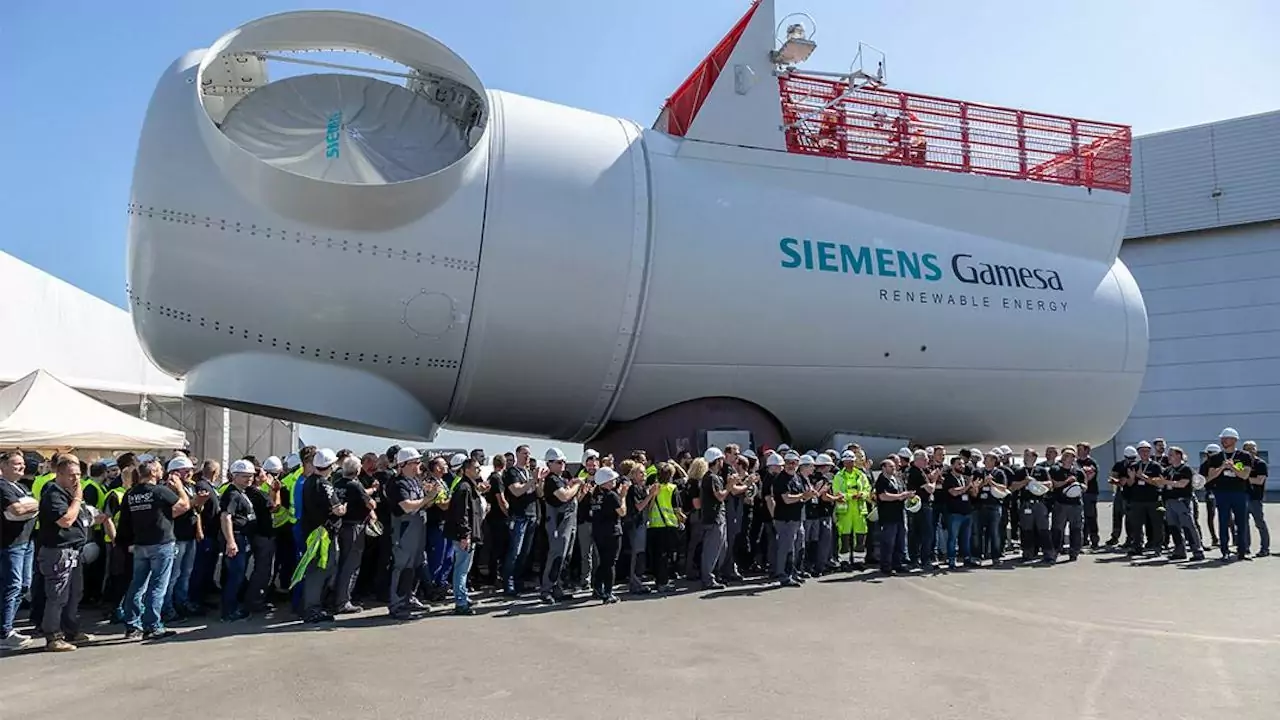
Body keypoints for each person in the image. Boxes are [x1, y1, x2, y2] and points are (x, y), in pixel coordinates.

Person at [36, 454, 109, 651]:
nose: (76, 479)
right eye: (71, 475)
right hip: (58, 551)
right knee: (57, 595)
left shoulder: (69, 493)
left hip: (74, 551)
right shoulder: (54, 493)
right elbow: (65, 520)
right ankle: (53, 636)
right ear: (59, 474)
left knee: (74, 593)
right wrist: (77, 499)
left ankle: (71, 630)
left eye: (78, 474)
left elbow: (81, 518)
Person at [118, 458, 190, 641]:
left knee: (137, 585)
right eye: (159, 470)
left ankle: (132, 626)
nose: (162, 472)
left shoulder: (131, 494)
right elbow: (184, 506)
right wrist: (180, 488)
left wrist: (125, 543)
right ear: (153, 473)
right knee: (157, 585)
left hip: (140, 544)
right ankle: (153, 625)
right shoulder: (159, 491)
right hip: (161, 543)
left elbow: (125, 521)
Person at [292, 448, 346, 624]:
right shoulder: (325, 484)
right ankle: (312, 607)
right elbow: (337, 509)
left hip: (312, 531)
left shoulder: (307, 481)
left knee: (317, 568)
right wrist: (344, 508)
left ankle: (311, 605)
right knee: (320, 569)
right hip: (322, 534)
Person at [384, 448, 436, 620]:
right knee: (402, 565)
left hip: (417, 527)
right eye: (415, 462)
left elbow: (420, 504)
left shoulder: (414, 481)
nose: (418, 466)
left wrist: (430, 497)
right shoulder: (397, 483)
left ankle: (409, 597)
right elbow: (406, 506)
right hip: (404, 529)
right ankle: (397, 604)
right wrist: (427, 499)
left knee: (415, 564)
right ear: (403, 464)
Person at [1, 450, 38, 650]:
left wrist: (29, 506)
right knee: (11, 586)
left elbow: (32, 505)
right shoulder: (2, 486)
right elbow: (17, 510)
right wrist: (29, 507)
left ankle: (7, 628)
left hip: (26, 542)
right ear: (4, 466)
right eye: (16, 464)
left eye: (22, 464)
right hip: (10, 545)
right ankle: (4, 632)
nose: (21, 467)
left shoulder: (21, 487)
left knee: (24, 586)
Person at [332, 455, 374, 615]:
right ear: (357, 470)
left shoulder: (337, 484)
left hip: (341, 526)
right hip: (354, 526)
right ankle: (343, 601)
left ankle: (337, 597)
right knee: (351, 564)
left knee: (342, 563)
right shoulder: (355, 485)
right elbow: (370, 503)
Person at [539, 448, 582, 603]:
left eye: (563, 461)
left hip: (569, 521)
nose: (562, 464)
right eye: (558, 462)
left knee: (565, 556)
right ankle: (547, 589)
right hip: (558, 522)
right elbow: (564, 496)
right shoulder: (552, 479)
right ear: (549, 463)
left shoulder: (560, 478)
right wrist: (576, 485)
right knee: (556, 555)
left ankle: (558, 587)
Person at [219, 459, 257, 622]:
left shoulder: (241, 492)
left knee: (237, 574)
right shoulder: (233, 494)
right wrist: (231, 541)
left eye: (251, 476)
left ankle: (232, 608)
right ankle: (229, 611)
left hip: (242, 537)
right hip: (237, 537)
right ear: (234, 476)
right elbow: (226, 517)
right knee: (235, 575)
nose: (249, 479)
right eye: (244, 476)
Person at [445, 457, 485, 615]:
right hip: (463, 534)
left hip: (469, 533)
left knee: (464, 568)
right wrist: (465, 535)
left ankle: (463, 596)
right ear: (467, 469)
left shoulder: (469, 486)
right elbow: (462, 514)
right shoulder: (464, 487)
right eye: (476, 468)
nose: (479, 471)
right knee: (461, 569)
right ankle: (460, 602)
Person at [244, 462, 281, 613]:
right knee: (263, 570)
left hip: (256, 533)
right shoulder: (258, 493)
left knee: (260, 569)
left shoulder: (250, 492)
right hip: (264, 535)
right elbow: (275, 507)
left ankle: (255, 598)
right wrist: (276, 491)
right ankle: (256, 600)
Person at [589, 467, 627, 604]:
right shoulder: (611, 495)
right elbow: (622, 512)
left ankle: (598, 587)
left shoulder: (595, 495)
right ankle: (608, 593)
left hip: (598, 532)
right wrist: (623, 496)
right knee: (611, 563)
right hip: (612, 532)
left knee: (603, 562)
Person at [874, 458, 912, 575]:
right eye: (890, 466)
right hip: (888, 516)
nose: (893, 468)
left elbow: (902, 492)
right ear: (884, 468)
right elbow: (882, 496)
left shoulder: (897, 479)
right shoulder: (881, 480)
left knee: (900, 541)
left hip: (900, 514)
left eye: (894, 466)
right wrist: (899, 496)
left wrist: (908, 496)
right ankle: (886, 566)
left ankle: (898, 564)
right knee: (888, 542)